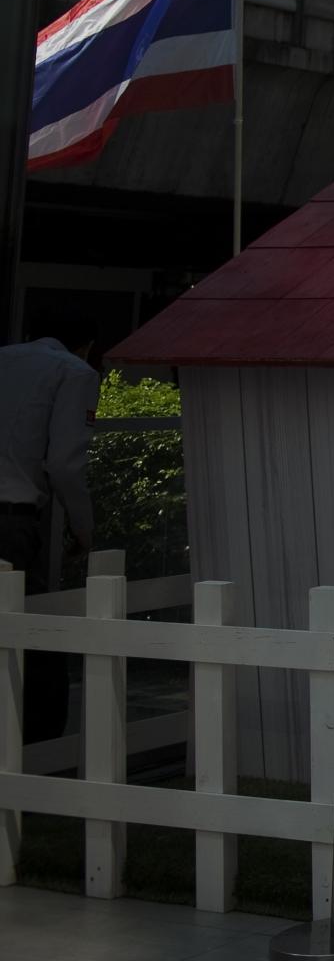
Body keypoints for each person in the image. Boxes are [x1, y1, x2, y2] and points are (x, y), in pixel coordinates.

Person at [0, 315, 102, 745]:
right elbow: (63, 463)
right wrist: (84, 529)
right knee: (37, 631)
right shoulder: (75, 373)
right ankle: (41, 748)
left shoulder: (6, 360)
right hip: (12, 516)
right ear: (88, 345)